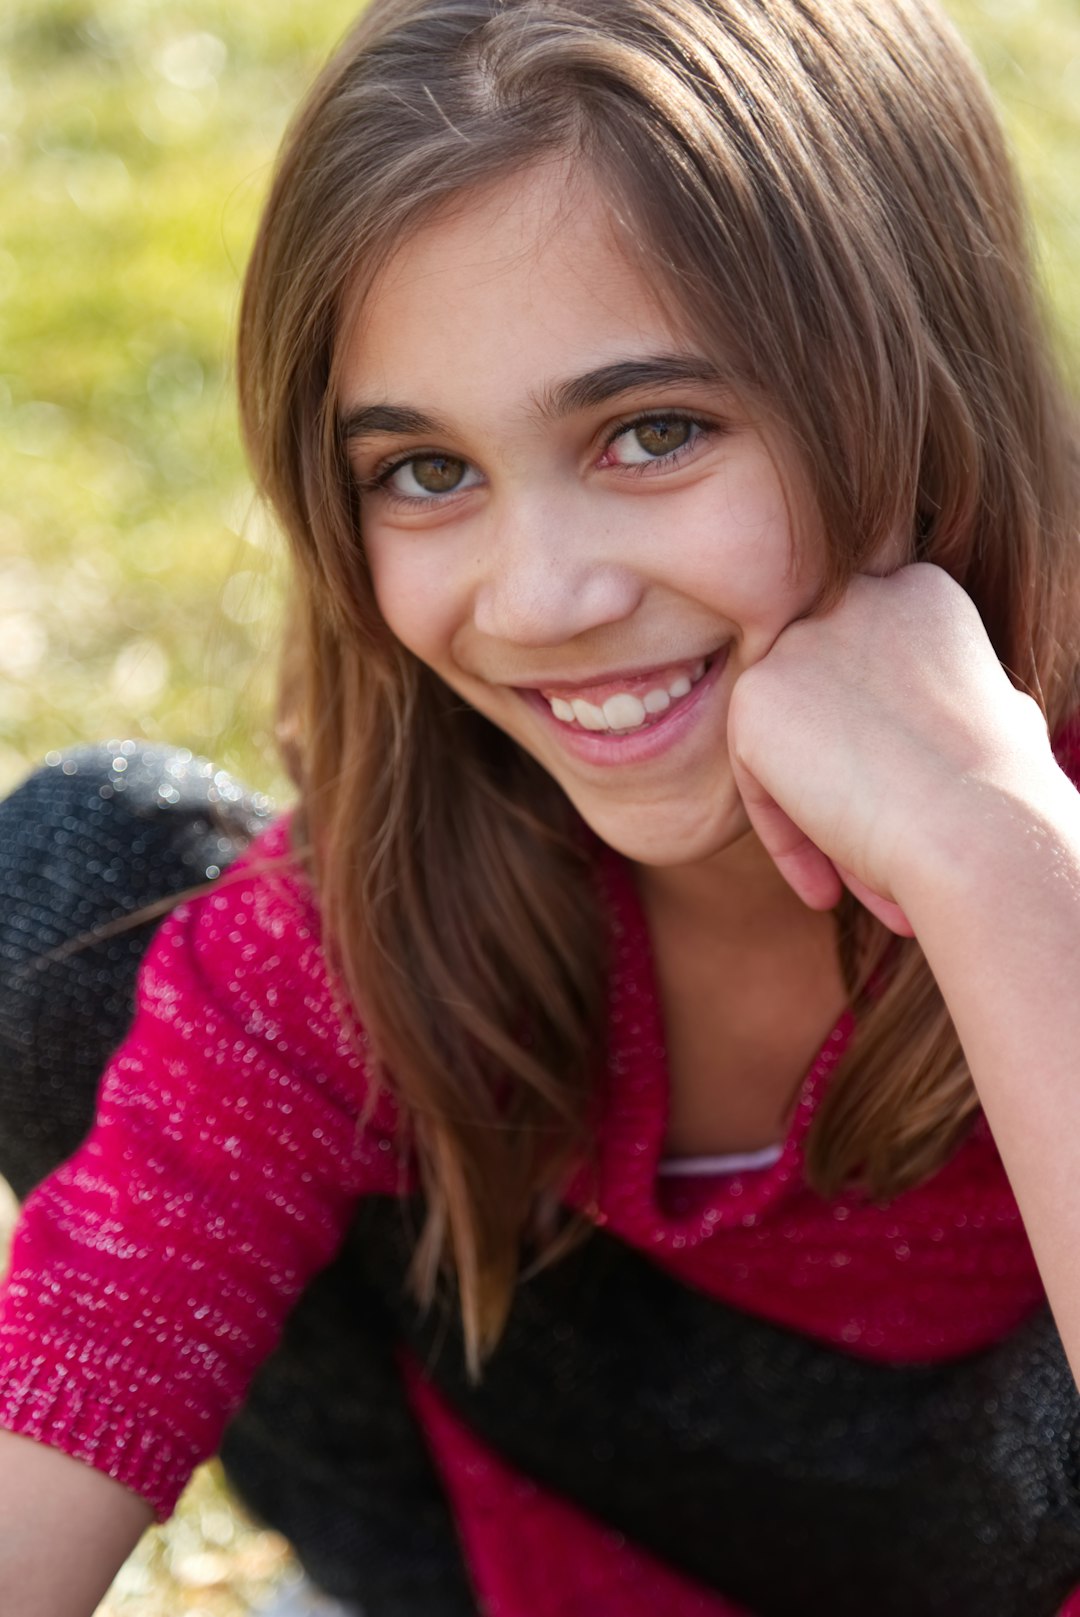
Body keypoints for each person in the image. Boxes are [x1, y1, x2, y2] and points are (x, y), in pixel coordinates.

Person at [0, 0, 1079, 1612]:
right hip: (542, 1552)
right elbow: (92, 1350)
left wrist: (995, 856)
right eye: (426, 472)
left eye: (656, 431)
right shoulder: (408, 883)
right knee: (76, 873)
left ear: (913, 393)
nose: (543, 595)